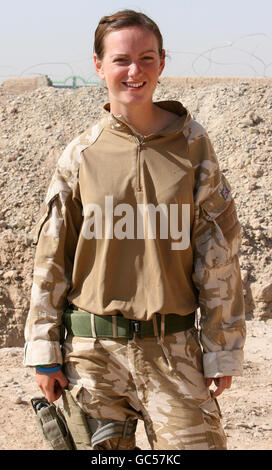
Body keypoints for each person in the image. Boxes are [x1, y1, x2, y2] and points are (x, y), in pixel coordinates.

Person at [24, 9, 246, 450]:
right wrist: (44, 351)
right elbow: (51, 259)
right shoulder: (81, 154)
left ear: (163, 62)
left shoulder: (193, 146)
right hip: (92, 356)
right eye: (122, 59)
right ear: (98, 65)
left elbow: (218, 253)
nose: (134, 71)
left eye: (147, 58)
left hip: (174, 351)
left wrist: (221, 347)